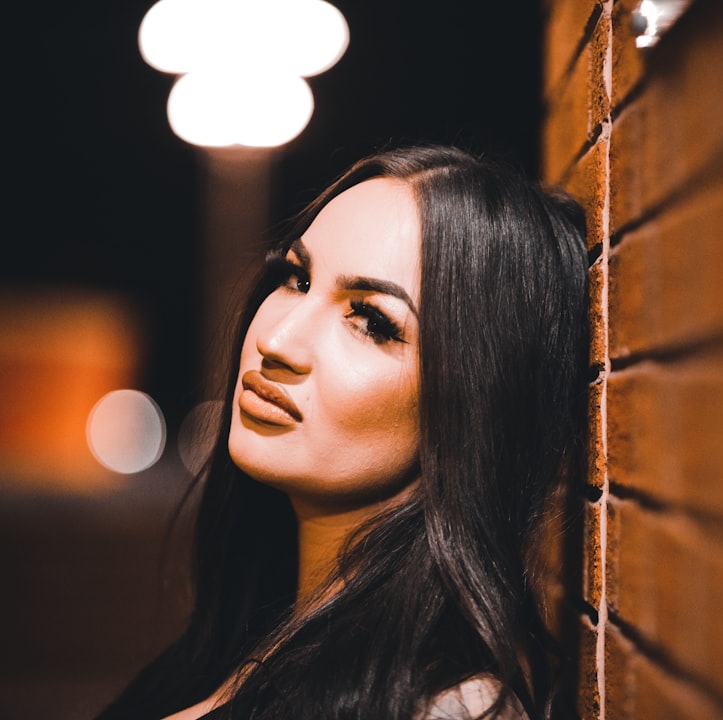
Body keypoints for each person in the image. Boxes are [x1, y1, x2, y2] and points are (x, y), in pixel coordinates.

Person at [96, 145, 589, 720]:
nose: (277, 343)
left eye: (371, 320)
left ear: (477, 399)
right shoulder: (255, 639)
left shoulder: (446, 707)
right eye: (296, 278)